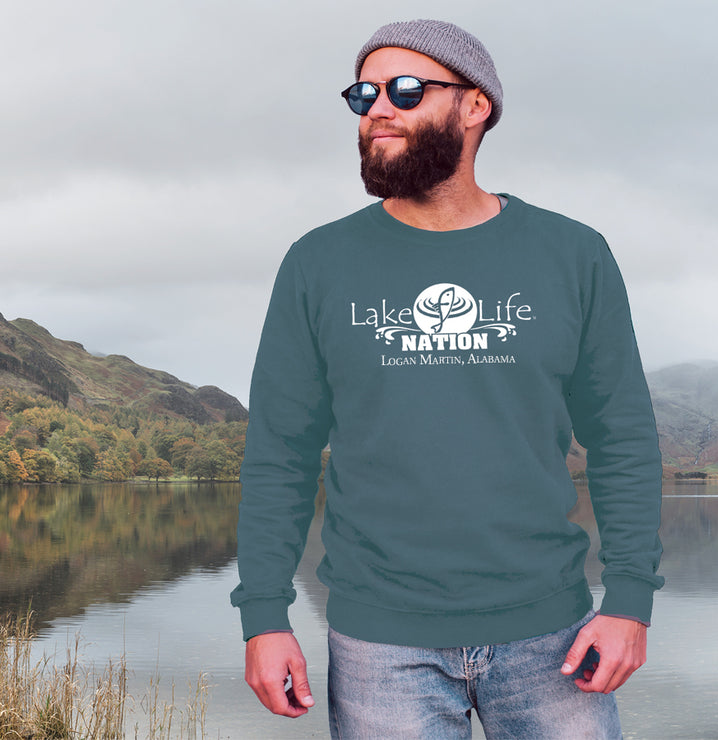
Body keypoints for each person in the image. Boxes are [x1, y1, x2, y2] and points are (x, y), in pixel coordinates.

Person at [230, 18, 663, 739]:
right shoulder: (318, 264)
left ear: (475, 106)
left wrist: (630, 602)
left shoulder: (573, 255)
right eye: (363, 94)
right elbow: (279, 452)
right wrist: (264, 616)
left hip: (553, 635)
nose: (378, 109)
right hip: (379, 644)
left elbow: (623, 438)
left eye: (405, 89)